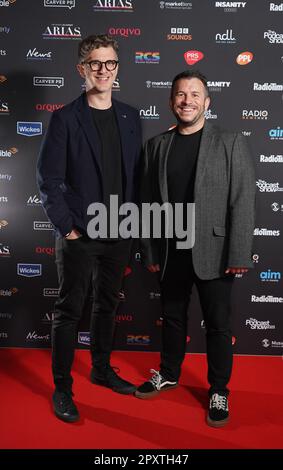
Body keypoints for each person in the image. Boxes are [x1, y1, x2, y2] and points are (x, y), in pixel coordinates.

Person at [136, 70, 256, 427]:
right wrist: (152, 251)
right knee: (172, 317)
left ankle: (219, 389)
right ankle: (169, 372)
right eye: (180, 94)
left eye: (194, 94)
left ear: (207, 102)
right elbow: (146, 205)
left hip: (216, 252)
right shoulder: (157, 146)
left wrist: (238, 253)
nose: (186, 100)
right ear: (171, 100)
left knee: (218, 324)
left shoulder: (230, 141)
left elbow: (243, 199)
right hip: (172, 250)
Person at [37, 34, 142, 423]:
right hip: (79, 234)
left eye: (109, 63)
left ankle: (100, 370)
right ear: (82, 69)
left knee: (108, 305)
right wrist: (68, 231)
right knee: (69, 310)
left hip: (119, 231)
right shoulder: (65, 117)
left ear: (118, 69)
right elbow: (49, 180)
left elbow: (135, 177)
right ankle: (62, 388)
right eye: (95, 63)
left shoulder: (131, 116)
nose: (103, 70)